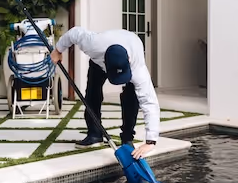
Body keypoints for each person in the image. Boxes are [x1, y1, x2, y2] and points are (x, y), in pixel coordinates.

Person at [50, 27, 160, 160]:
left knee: (131, 98)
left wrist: (150, 141)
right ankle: (95, 134)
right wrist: (58, 50)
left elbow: (149, 102)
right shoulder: (94, 44)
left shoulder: (137, 67)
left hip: (130, 51)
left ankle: (127, 138)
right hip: (98, 62)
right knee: (92, 93)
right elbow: (74, 33)